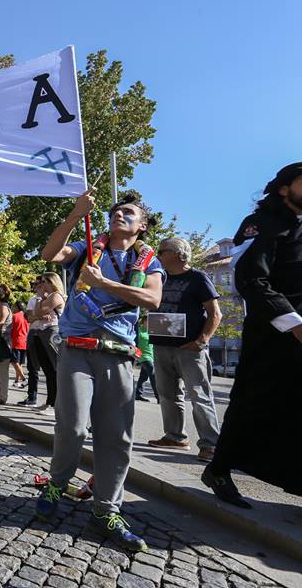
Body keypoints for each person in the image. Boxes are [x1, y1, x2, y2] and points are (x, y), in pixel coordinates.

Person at [35, 189, 164, 552]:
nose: (119, 215)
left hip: (119, 355)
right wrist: (76, 213)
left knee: (116, 438)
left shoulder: (148, 262)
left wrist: (103, 283)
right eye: (115, 211)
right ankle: (57, 482)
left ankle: (106, 509)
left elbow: (152, 299)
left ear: (142, 225)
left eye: (128, 213)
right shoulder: (88, 247)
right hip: (77, 351)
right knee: (72, 427)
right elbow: (49, 254)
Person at [203, 163, 302, 508]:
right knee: (253, 402)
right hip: (273, 331)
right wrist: (293, 323)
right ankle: (218, 469)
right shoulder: (260, 225)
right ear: (284, 188)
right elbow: (250, 279)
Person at [145, 237, 221, 463]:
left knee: (200, 396)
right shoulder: (160, 278)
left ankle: (211, 445)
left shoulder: (198, 278)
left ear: (178, 253)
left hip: (190, 348)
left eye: (162, 251)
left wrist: (202, 340)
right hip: (162, 345)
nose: (158, 255)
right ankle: (175, 436)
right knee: (168, 395)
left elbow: (215, 313)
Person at [28, 273, 67, 416]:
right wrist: (40, 298)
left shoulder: (56, 296)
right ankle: (50, 401)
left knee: (54, 368)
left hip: (52, 332)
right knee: (47, 369)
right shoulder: (45, 297)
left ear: (52, 282)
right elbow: (36, 313)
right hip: (41, 332)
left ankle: (57, 404)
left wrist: (40, 303)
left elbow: (39, 312)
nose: (41, 284)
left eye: (44, 281)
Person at [17, 280, 44, 408]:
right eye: (36, 284)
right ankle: (32, 397)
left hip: (47, 334)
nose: (37, 286)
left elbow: (40, 315)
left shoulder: (53, 296)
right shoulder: (33, 299)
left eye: (41, 283)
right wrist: (39, 315)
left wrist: (37, 315)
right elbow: (29, 318)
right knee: (32, 368)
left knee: (51, 369)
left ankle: (53, 401)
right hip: (33, 333)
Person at [135, 312, 159, 403]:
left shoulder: (152, 331)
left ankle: (138, 394)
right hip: (143, 356)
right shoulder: (139, 331)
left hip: (151, 357)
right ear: (144, 321)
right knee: (153, 375)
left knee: (143, 377)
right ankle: (159, 397)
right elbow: (135, 343)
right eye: (148, 321)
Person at [10, 301, 29, 388]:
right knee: (19, 362)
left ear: (17, 307)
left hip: (16, 341)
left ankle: (24, 378)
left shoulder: (15, 316)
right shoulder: (26, 316)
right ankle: (17, 381)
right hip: (24, 341)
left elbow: (10, 329)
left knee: (14, 361)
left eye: (13, 306)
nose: (12, 308)